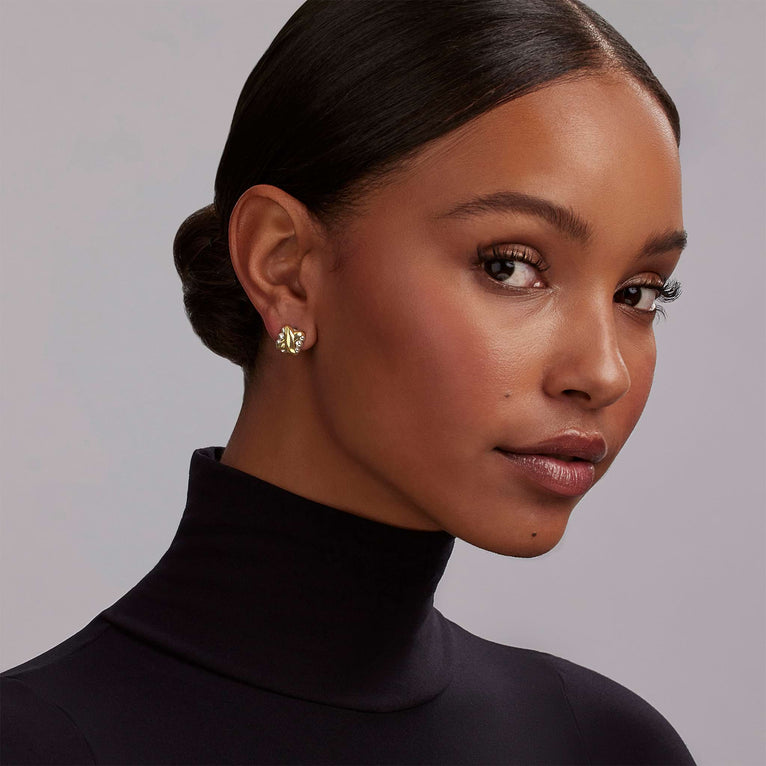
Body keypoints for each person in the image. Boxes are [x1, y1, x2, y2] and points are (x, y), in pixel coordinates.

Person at [1, 0, 696, 762]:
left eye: (639, 292)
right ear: (286, 269)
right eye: (510, 266)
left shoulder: (608, 747)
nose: (603, 370)